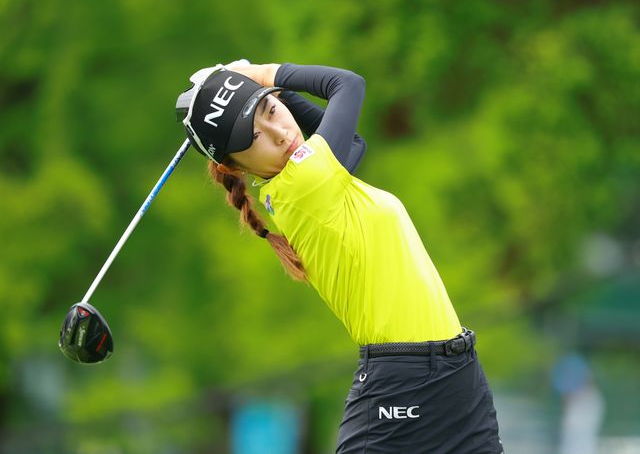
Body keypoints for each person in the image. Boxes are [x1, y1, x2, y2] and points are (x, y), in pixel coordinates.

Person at [175, 61, 504, 453]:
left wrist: (274, 92)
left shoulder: (317, 178)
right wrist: (263, 74)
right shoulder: (304, 183)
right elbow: (346, 84)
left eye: (272, 111)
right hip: (402, 381)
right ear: (234, 167)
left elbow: (354, 142)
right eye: (255, 137)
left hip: (458, 374)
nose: (280, 134)